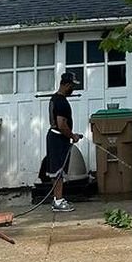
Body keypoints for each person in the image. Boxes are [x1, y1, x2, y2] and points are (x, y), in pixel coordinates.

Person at [39, 71, 83, 211]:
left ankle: (57, 198)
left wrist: (72, 134)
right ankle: (58, 201)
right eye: (72, 86)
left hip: (55, 136)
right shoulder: (61, 102)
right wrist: (72, 136)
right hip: (58, 138)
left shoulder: (55, 98)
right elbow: (61, 123)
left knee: (57, 171)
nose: (73, 89)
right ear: (66, 85)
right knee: (58, 171)